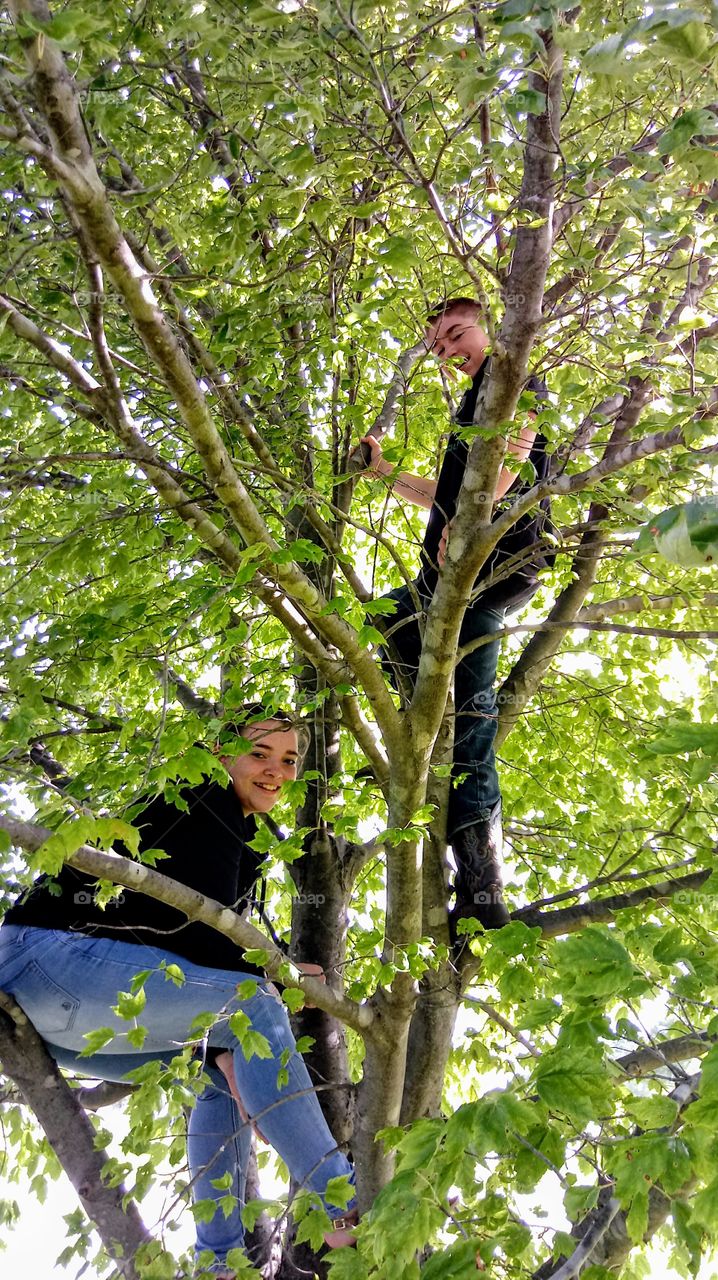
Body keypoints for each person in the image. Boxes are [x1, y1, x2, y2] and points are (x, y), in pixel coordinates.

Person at [0, 709, 357, 1277]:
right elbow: (194, 933)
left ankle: (220, 1263)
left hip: (67, 1013)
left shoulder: (240, 833)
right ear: (220, 757)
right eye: (259, 754)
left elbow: (183, 944)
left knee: (221, 1067)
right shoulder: (203, 797)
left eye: (288, 760)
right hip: (43, 959)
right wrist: (280, 977)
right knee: (255, 1006)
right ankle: (348, 1207)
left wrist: (244, 1065)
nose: (275, 770)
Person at [358, 298, 555, 939]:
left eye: (455, 333)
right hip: (441, 581)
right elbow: (441, 494)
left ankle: (482, 878)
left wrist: (468, 528)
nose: (447, 349)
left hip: (488, 568)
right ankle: (424, 716)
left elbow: (519, 450)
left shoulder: (511, 376)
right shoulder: (468, 412)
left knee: (472, 721)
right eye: (437, 345)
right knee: (385, 619)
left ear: (487, 328)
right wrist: (387, 474)